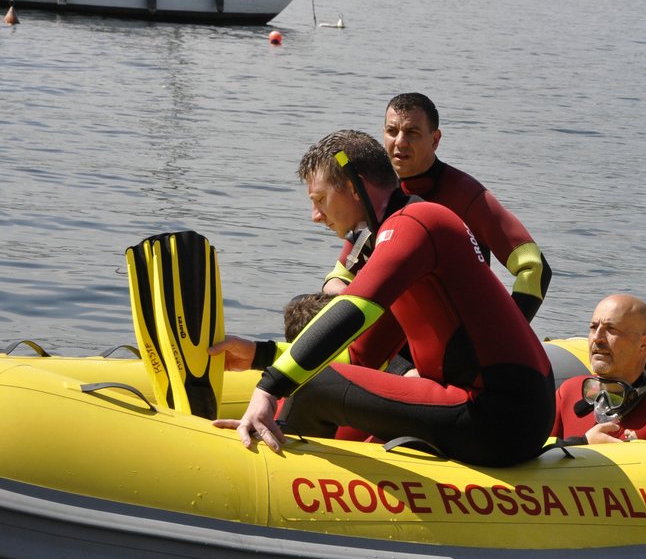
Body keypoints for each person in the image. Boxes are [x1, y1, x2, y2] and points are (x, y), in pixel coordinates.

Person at [215, 129, 554, 467]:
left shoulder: (417, 222)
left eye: (319, 199)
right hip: (501, 413)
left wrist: (268, 387)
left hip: (500, 416)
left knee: (312, 385)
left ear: (351, 186)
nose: (315, 216)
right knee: (316, 377)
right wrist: (261, 354)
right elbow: (361, 356)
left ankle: (270, 472)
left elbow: (353, 309)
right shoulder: (403, 238)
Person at [320, 92, 551, 322]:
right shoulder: (376, 194)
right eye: (392, 131)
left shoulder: (465, 195)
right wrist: (349, 303)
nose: (400, 142)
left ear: (435, 139)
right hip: (391, 338)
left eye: (412, 132)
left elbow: (534, 268)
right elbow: (339, 275)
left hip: (456, 343)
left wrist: (507, 333)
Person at [553, 294, 646, 444]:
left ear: (644, 343)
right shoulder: (569, 392)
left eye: (611, 329)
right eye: (593, 327)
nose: (597, 338)